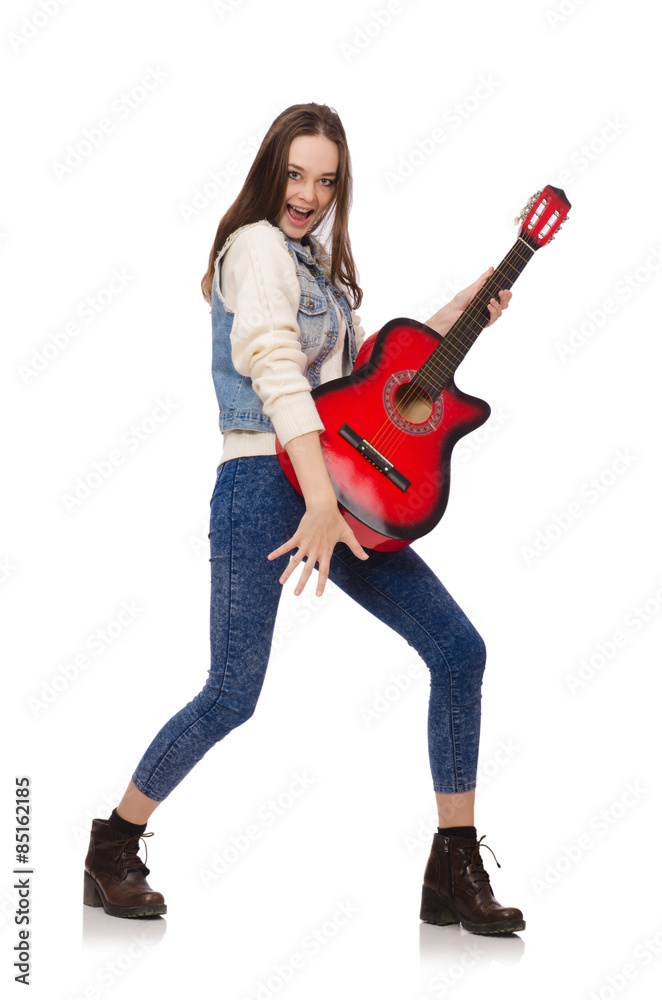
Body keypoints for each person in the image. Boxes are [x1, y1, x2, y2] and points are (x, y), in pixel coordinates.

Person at [83, 102, 524, 935]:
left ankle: (452, 864)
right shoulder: (253, 248)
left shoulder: (318, 269)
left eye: (326, 180)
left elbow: (364, 380)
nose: (310, 193)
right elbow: (278, 372)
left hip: (343, 485)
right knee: (232, 694)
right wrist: (318, 501)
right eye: (297, 174)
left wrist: (470, 302)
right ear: (271, 170)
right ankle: (113, 845)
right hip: (264, 481)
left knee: (459, 650)